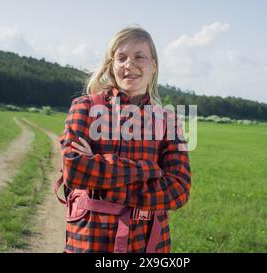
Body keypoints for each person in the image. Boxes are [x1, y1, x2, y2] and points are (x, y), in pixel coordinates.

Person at [57, 25, 191, 253]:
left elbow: (179, 190)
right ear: (112, 65)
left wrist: (102, 183)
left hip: (148, 241)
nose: (130, 64)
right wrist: (149, 169)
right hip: (91, 238)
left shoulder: (168, 120)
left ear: (154, 65)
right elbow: (75, 170)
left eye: (139, 57)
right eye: (121, 58)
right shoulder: (86, 107)